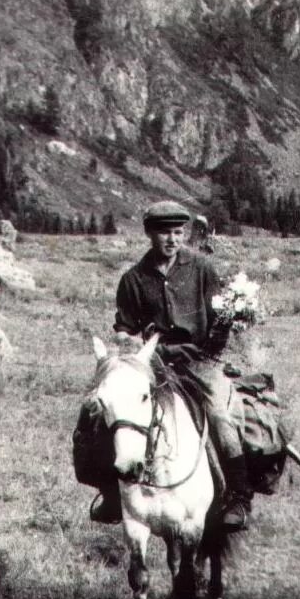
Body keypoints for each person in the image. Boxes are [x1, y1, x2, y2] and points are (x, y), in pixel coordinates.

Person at [88, 201, 253, 530]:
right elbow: (124, 327)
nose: (172, 239)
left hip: (201, 361)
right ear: (149, 234)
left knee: (220, 415)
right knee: (105, 414)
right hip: (155, 364)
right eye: (164, 232)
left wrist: (215, 341)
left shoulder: (202, 269)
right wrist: (136, 347)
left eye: (179, 232)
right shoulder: (133, 279)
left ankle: (238, 496)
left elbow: (222, 315)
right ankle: (111, 491)